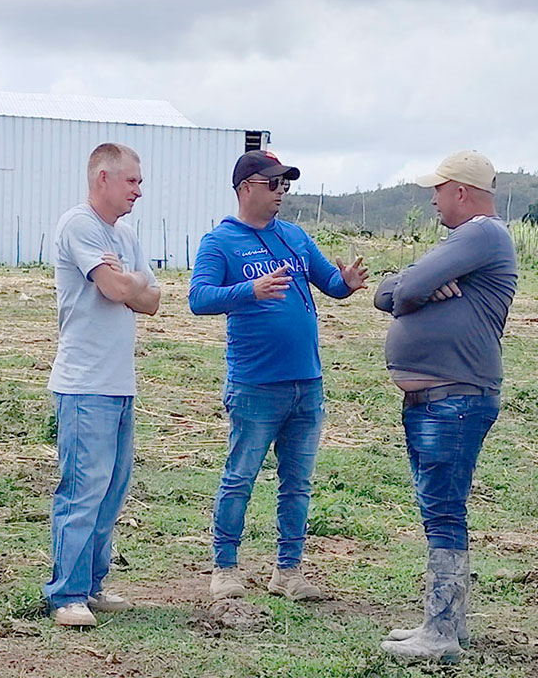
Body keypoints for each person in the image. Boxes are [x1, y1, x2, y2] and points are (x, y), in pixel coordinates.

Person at [189, 149, 368, 601]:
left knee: (298, 484)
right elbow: (199, 298)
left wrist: (347, 282)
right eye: (273, 183)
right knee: (240, 477)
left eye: (285, 184)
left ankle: (288, 571)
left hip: (307, 383)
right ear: (246, 188)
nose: (281, 192)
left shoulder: (295, 237)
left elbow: (330, 284)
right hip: (255, 385)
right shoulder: (220, 242)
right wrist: (250, 290)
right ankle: (225, 568)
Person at [374, 150, 516, 661]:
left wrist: (416, 288)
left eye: (437, 189)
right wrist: (416, 288)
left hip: (454, 398)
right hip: (439, 399)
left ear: (460, 190)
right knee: (439, 507)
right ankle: (446, 624)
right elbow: (386, 292)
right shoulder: (468, 241)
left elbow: (406, 286)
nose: (433, 200)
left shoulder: (482, 235)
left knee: (443, 510)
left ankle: (441, 632)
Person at [44, 142, 160, 627]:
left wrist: (128, 282)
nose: (138, 190)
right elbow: (116, 289)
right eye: (131, 180)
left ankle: (91, 584)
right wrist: (129, 283)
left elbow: (152, 300)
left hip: (118, 383)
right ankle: (66, 593)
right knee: (83, 489)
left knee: (111, 490)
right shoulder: (79, 225)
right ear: (103, 178)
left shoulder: (124, 235)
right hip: (84, 383)